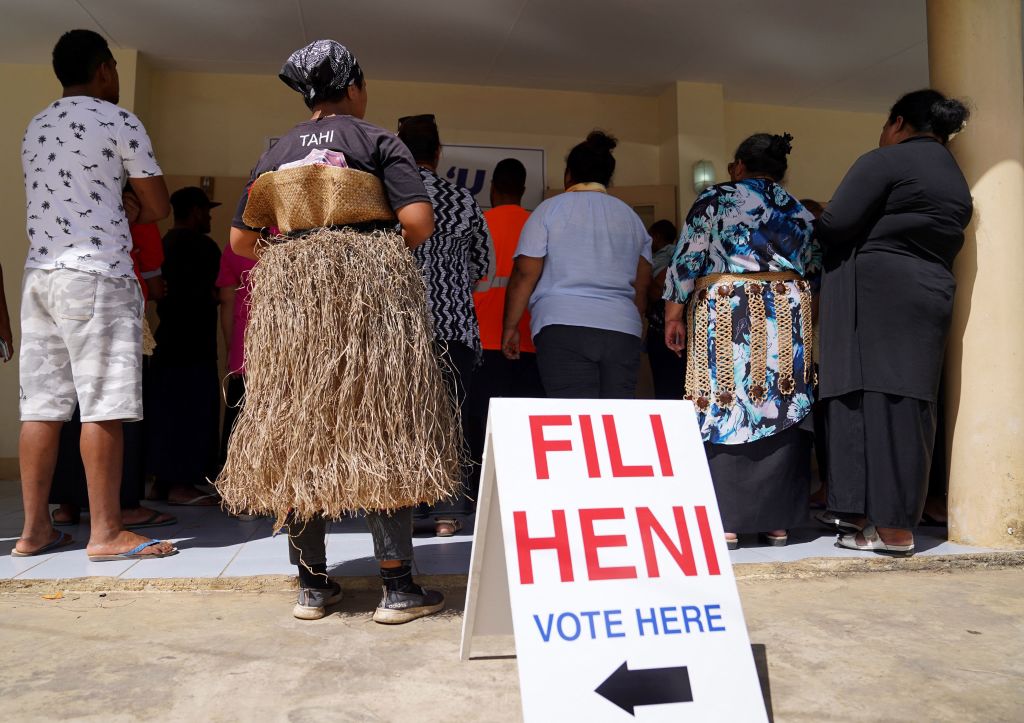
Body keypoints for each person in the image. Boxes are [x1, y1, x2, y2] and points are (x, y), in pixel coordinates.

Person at [224, 40, 446, 623]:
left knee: (298, 427)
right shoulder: (377, 140)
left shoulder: (277, 149)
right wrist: (359, 253)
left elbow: (242, 242)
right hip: (369, 304)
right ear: (354, 86)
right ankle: (398, 589)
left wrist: (304, 250)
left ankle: (313, 586)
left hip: (295, 308)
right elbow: (417, 222)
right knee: (383, 423)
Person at [15, 29, 176, 560]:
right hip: (98, 276)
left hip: (41, 276)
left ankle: (33, 530)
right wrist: (129, 201)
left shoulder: (36, 126)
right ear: (106, 68)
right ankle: (106, 533)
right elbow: (158, 205)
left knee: (41, 408)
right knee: (103, 405)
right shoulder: (118, 120)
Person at [817, 89, 972, 557]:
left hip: (878, 293)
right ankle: (895, 522)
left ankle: (885, 528)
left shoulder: (885, 161)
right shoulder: (954, 176)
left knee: (872, 399)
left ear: (898, 123)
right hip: (930, 292)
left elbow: (834, 224)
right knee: (910, 403)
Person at [664, 133, 820, 550]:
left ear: (738, 166)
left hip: (728, 311)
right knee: (780, 398)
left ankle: (728, 521)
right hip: (786, 316)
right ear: (782, 170)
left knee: (725, 399)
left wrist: (673, 313)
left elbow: (687, 258)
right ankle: (776, 524)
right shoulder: (798, 209)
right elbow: (815, 266)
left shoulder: (715, 200)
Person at [502, 131, 652, 398]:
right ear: (608, 176)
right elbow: (642, 284)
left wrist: (511, 327)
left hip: (562, 326)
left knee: (574, 419)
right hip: (622, 329)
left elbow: (525, 274)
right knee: (616, 423)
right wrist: (635, 325)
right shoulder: (631, 218)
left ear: (568, 174)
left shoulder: (549, 210)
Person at [397, 115, 489, 537]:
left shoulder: (387, 197)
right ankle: (449, 513)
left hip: (398, 330)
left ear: (398, 149)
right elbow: (482, 267)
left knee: (403, 417)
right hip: (454, 327)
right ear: (438, 152)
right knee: (450, 417)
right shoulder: (464, 200)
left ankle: (410, 510)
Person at [465, 159, 544, 511]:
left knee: (479, 426)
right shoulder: (538, 223)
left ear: (493, 187)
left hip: (482, 339)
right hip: (528, 340)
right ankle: (523, 495)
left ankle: (480, 497)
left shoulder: (478, 222)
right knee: (526, 429)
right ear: (524, 189)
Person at [147, 186, 222, 506]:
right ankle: (182, 487)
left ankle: (162, 485)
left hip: (166, 341)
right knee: (192, 412)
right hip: (194, 343)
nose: (208, 217)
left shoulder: (163, 244)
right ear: (194, 211)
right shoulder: (203, 246)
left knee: (166, 411)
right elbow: (218, 290)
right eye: (206, 211)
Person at [216, 242, 256, 470]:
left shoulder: (236, 245)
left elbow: (227, 301)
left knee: (240, 420)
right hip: (286, 350)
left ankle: (236, 486)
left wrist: (232, 350)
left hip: (245, 349)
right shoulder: (289, 239)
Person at [644, 219, 685, 400]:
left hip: (668, 332)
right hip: (668, 330)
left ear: (657, 237)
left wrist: (642, 275)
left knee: (668, 387)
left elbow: (657, 291)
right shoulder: (675, 255)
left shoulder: (668, 256)